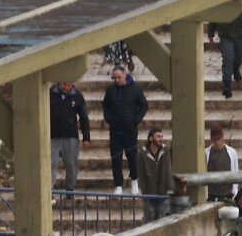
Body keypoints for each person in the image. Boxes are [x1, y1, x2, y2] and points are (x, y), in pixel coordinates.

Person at [101, 65, 148, 195]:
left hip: (130, 129)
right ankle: (118, 184)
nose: (116, 80)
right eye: (114, 78)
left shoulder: (135, 89)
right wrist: (108, 118)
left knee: (132, 157)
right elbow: (105, 105)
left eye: (119, 77)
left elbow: (143, 105)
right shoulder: (110, 89)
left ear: (125, 76)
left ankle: (134, 181)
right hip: (115, 130)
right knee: (116, 158)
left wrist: (136, 120)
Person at [212, 0, 242, 98]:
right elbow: (215, 14)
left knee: (240, 57)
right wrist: (211, 32)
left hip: (241, 33)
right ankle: (227, 86)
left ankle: (236, 68)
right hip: (225, 34)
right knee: (227, 58)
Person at [48, 79, 90, 190]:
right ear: (59, 83)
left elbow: (84, 117)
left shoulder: (77, 95)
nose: (67, 87)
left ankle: (70, 189)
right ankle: (49, 189)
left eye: (69, 85)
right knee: (51, 164)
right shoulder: (49, 93)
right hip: (53, 136)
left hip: (70, 136)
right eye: (64, 85)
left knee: (71, 165)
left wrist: (86, 137)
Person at [135, 127, 175, 222]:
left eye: (161, 136)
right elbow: (141, 175)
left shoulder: (165, 151)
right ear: (150, 138)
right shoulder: (142, 154)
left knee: (164, 221)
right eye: (158, 136)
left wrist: (169, 189)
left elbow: (168, 172)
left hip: (164, 193)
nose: (160, 139)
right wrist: (145, 193)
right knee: (150, 221)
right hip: (149, 195)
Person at [204, 124, 240, 201]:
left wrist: (234, 190)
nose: (216, 142)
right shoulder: (206, 153)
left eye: (218, 139)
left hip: (227, 194)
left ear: (222, 137)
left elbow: (236, 171)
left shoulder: (231, 152)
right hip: (211, 194)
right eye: (214, 139)